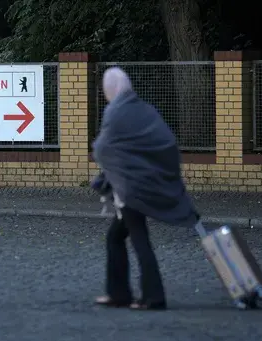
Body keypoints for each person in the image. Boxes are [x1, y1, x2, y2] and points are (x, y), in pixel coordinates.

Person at [91, 67, 199, 310]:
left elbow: (103, 148)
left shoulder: (116, 111)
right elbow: (164, 142)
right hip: (141, 186)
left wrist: (109, 171)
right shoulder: (143, 109)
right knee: (116, 237)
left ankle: (152, 296)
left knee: (138, 239)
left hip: (130, 190)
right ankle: (119, 294)